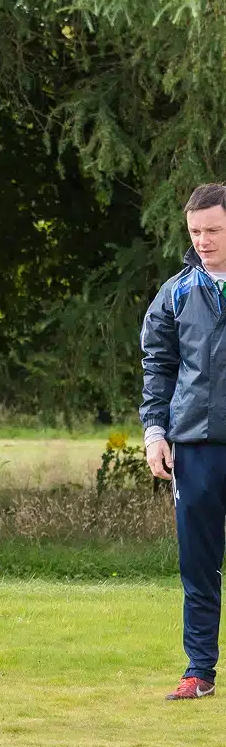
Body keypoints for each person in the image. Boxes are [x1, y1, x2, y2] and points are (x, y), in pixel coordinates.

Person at [142, 182, 226, 701]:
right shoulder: (174, 293)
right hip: (193, 445)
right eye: (196, 232)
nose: (204, 240)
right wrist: (155, 433)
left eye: (213, 230)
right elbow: (158, 367)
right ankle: (199, 671)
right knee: (198, 564)